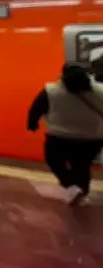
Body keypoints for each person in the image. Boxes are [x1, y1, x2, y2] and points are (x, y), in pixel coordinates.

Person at [27, 63, 103, 207]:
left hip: (59, 137)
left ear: (63, 74)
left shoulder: (51, 91)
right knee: (82, 165)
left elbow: (36, 108)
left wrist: (32, 124)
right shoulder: (100, 90)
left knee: (54, 161)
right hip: (92, 138)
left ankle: (71, 187)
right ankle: (82, 194)